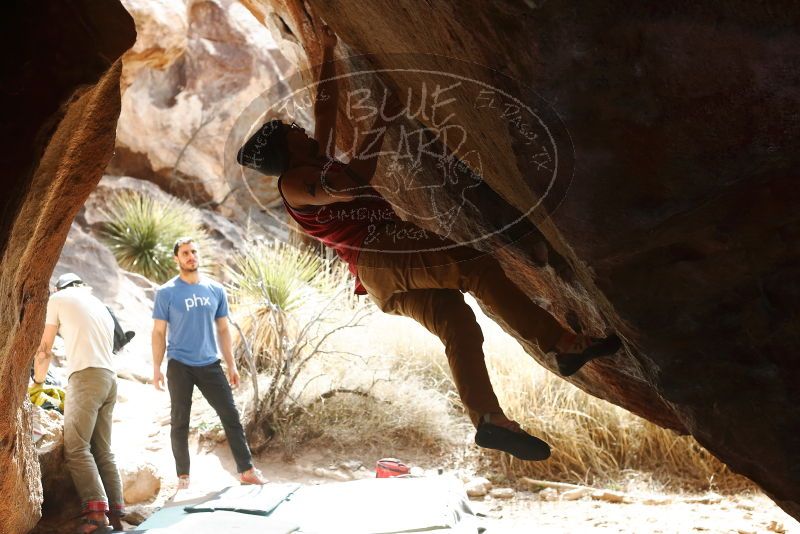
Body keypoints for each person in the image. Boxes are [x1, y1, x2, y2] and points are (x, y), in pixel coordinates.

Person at [236, 26, 621, 461]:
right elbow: (353, 180)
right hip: (383, 251)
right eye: (290, 130)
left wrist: (326, 50)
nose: (299, 129)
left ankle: (490, 421)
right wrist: (383, 119)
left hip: (379, 280)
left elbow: (326, 109)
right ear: (284, 150)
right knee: (475, 266)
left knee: (458, 325)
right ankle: (563, 343)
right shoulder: (296, 181)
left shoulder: (311, 159)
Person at [151, 237, 266, 488]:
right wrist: (156, 367)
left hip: (210, 364)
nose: (191, 256)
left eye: (194, 252)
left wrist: (231, 364)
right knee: (180, 420)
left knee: (230, 415)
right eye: (185, 253)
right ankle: (183, 476)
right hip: (179, 364)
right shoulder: (166, 292)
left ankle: (246, 470)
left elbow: (224, 329)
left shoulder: (215, 290)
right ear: (176, 259)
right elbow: (158, 332)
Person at [34, 273, 125, 533]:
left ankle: (97, 517)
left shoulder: (58, 299)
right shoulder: (98, 305)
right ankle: (117, 514)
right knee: (103, 450)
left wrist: (38, 382)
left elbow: (45, 348)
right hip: (110, 379)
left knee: (76, 447)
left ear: (57, 288)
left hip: (85, 378)